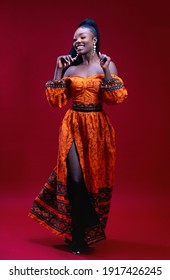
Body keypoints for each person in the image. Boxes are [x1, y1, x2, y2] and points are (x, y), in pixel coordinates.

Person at [29, 18, 128, 254]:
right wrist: (58, 69)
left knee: (89, 181)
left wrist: (106, 71)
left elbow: (117, 98)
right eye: (75, 38)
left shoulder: (106, 65)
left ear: (94, 40)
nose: (77, 40)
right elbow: (56, 101)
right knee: (74, 178)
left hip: (97, 129)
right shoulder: (70, 68)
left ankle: (83, 229)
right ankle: (78, 236)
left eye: (82, 37)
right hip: (73, 125)